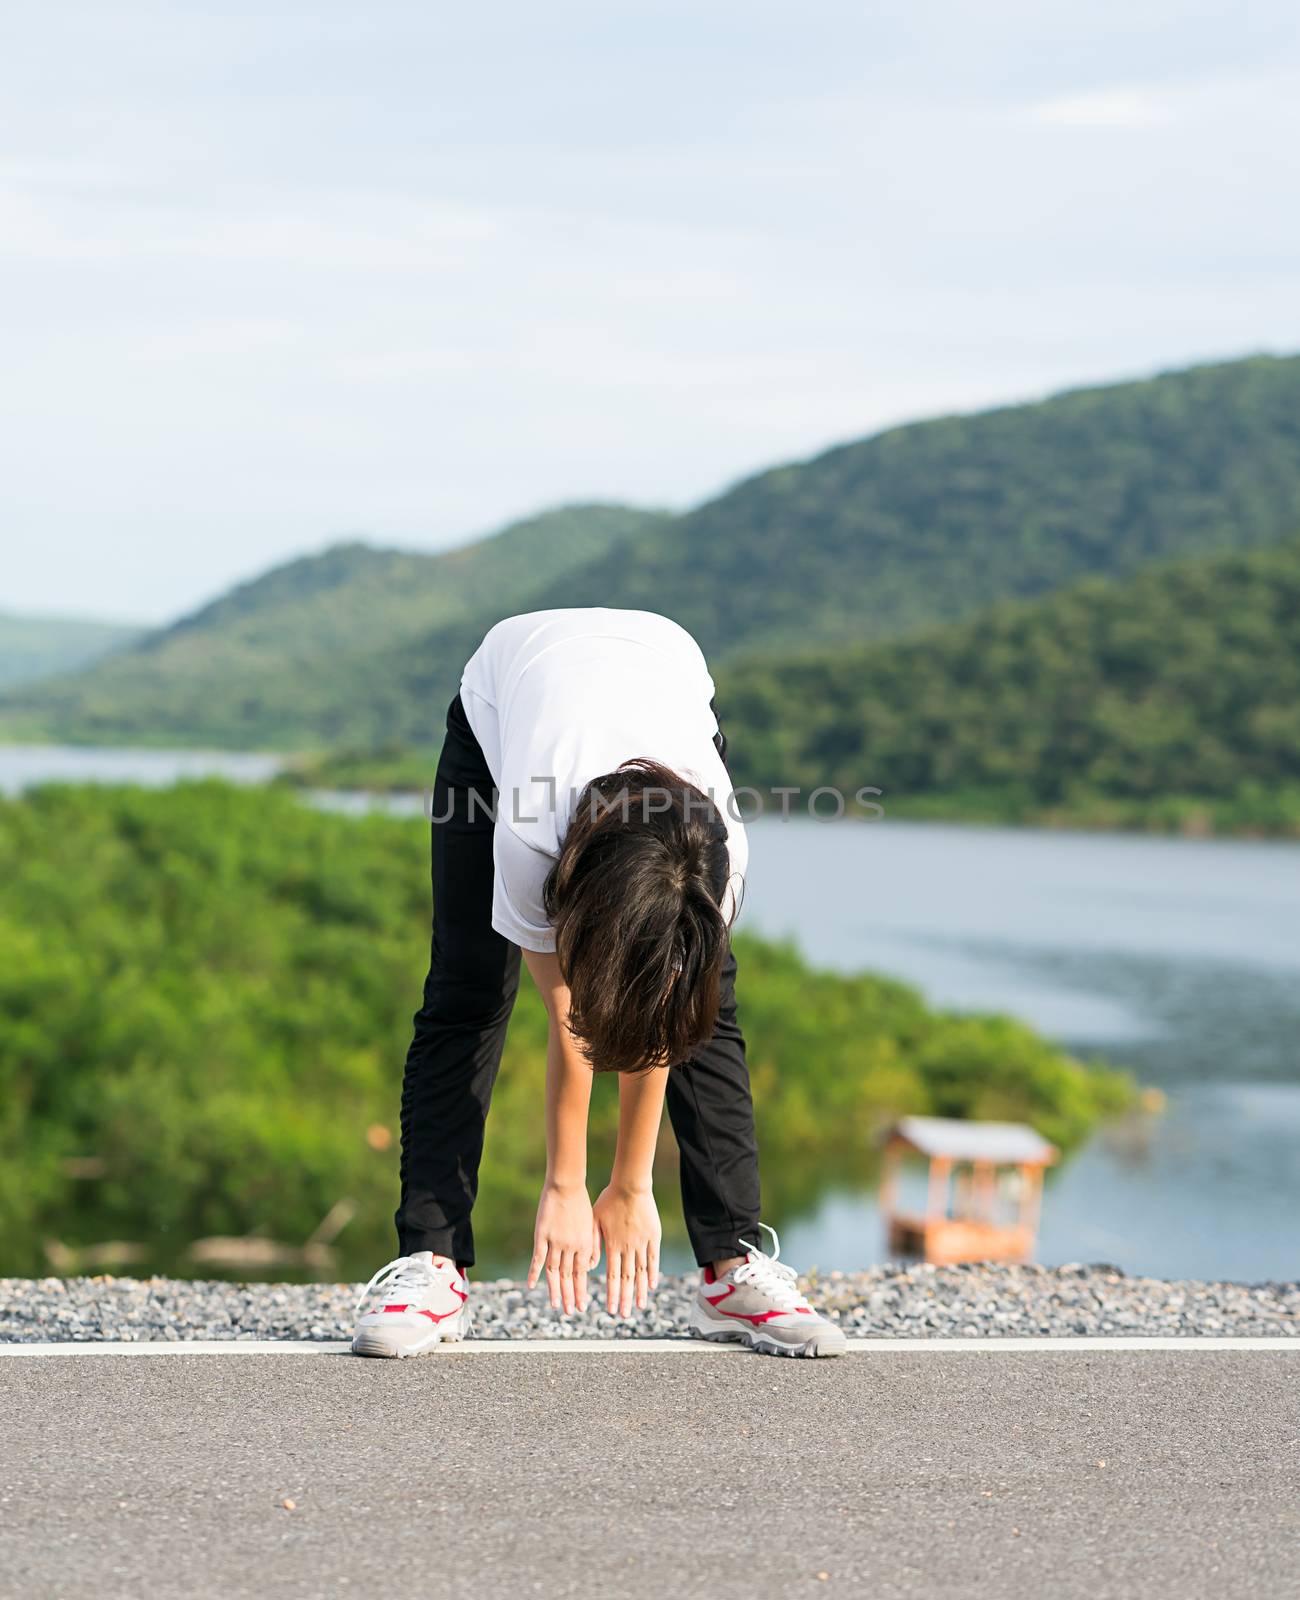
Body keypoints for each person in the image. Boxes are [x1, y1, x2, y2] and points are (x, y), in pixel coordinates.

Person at [352, 608, 845, 1358]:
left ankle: (731, 1266)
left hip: (661, 672)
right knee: (470, 991)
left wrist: (634, 1183)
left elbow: (660, 1016)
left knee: (707, 1009)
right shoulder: (528, 835)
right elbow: (576, 1020)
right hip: (508, 704)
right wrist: (564, 1184)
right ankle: (432, 1262)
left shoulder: (719, 856)